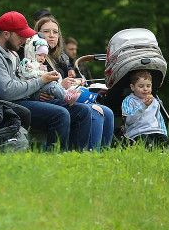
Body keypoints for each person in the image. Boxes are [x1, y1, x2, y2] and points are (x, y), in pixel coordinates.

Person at [0, 11, 81, 150]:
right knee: (60, 114)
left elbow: (20, 83)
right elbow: (8, 91)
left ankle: (79, 154)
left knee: (80, 110)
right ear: (6, 34)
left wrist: (41, 94)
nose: (24, 40)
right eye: (20, 35)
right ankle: (56, 157)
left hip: (16, 102)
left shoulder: (11, 53)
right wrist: (42, 81)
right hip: (0, 108)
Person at [35, 16, 113, 151]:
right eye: (46, 32)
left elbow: (62, 84)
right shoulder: (37, 57)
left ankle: (102, 155)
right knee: (96, 111)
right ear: (38, 34)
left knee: (108, 112)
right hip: (49, 102)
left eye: (55, 32)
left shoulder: (58, 59)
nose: (51, 35)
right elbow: (42, 86)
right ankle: (87, 154)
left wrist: (74, 84)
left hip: (63, 98)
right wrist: (63, 86)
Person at [17, 34, 80, 105]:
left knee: (53, 83)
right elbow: (28, 74)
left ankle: (67, 93)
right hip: (30, 92)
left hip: (39, 89)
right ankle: (66, 96)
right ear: (32, 52)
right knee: (51, 85)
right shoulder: (26, 62)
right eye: (40, 55)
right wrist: (42, 74)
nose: (42, 58)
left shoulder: (39, 64)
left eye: (44, 56)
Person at [121, 70, 169, 147]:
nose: (145, 89)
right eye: (141, 86)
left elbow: (159, 119)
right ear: (132, 87)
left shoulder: (154, 101)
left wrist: (164, 134)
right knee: (149, 147)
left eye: (148, 86)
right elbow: (128, 120)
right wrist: (143, 106)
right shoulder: (129, 101)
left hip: (156, 131)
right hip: (138, 133)